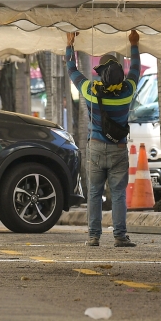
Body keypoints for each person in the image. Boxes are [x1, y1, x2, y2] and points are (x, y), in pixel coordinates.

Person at [65, 30, 142, 247]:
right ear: (119, 74)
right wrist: (134, 44)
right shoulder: (128, 91)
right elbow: (135, 68)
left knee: (95, 193)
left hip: (96, 148)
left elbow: (72, 70)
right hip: (118, 149)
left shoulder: (90, 91)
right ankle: (119, 236)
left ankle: (93, 236)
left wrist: (70, 45)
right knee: (118, 194)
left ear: (101, 74)